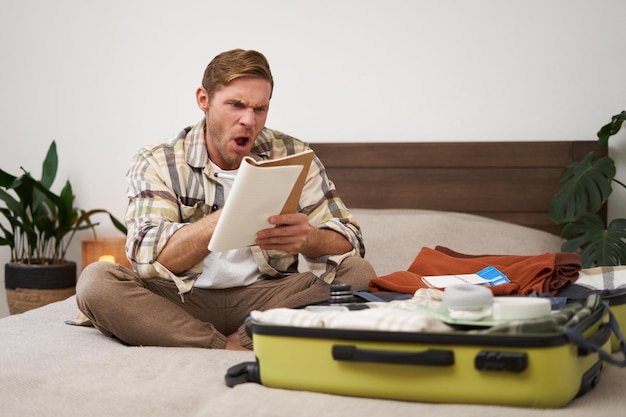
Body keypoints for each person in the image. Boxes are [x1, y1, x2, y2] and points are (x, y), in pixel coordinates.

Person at [76, 49, 376, 350]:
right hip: (181, 299)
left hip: (267, 297)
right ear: (203, 100)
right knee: (96, 282)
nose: (249, 120)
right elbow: (148, 259)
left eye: (260, 109)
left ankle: (239, 336)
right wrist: (230, 215)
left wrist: (309, 239)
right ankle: (228, 345)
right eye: (236, 105)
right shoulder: (158, 160)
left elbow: (350, 241)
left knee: (359, 275)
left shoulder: (293, 154)